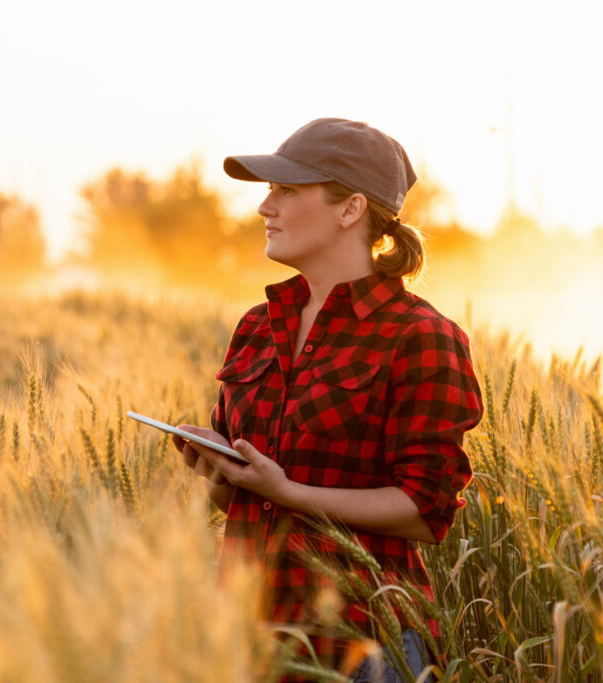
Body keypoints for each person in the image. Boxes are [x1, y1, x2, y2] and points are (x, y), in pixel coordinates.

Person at [171, 118, 483, 682]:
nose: (266, 206)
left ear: (351, 209)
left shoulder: (419, 335)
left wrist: (285, 490)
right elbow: (252, 506)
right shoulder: (257, 327)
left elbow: (424, 510)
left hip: (365, 645)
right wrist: (221, 472)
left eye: (287, 190)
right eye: (270, 190)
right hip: (250, 636)